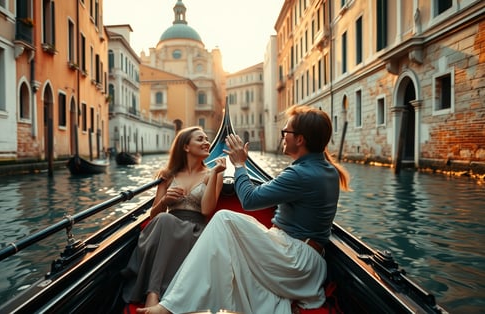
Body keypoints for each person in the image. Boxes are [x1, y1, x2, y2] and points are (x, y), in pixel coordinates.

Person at [138, 105, 350, 314]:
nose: (282, 136)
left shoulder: (300, 174)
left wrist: (240, 164)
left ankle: (170, 306)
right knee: (234, 237)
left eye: (285, 132)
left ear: (300, 139)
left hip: (296, 260)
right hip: (302, 258)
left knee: (224, 220)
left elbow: (249, 200)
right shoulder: (326, 170)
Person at [120, 126, 226, 308]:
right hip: (165, 229)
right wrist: (165, 201)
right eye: (200, 139)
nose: (207, 142)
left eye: (207, 139)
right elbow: (154, 214)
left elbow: (207, 210)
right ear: (185, 147)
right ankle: (154, 293)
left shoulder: (213, 174)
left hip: (196, 231)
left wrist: (215, 173)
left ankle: (153, 295)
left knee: (165, 221)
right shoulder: (167, 175)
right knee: (165, 220)